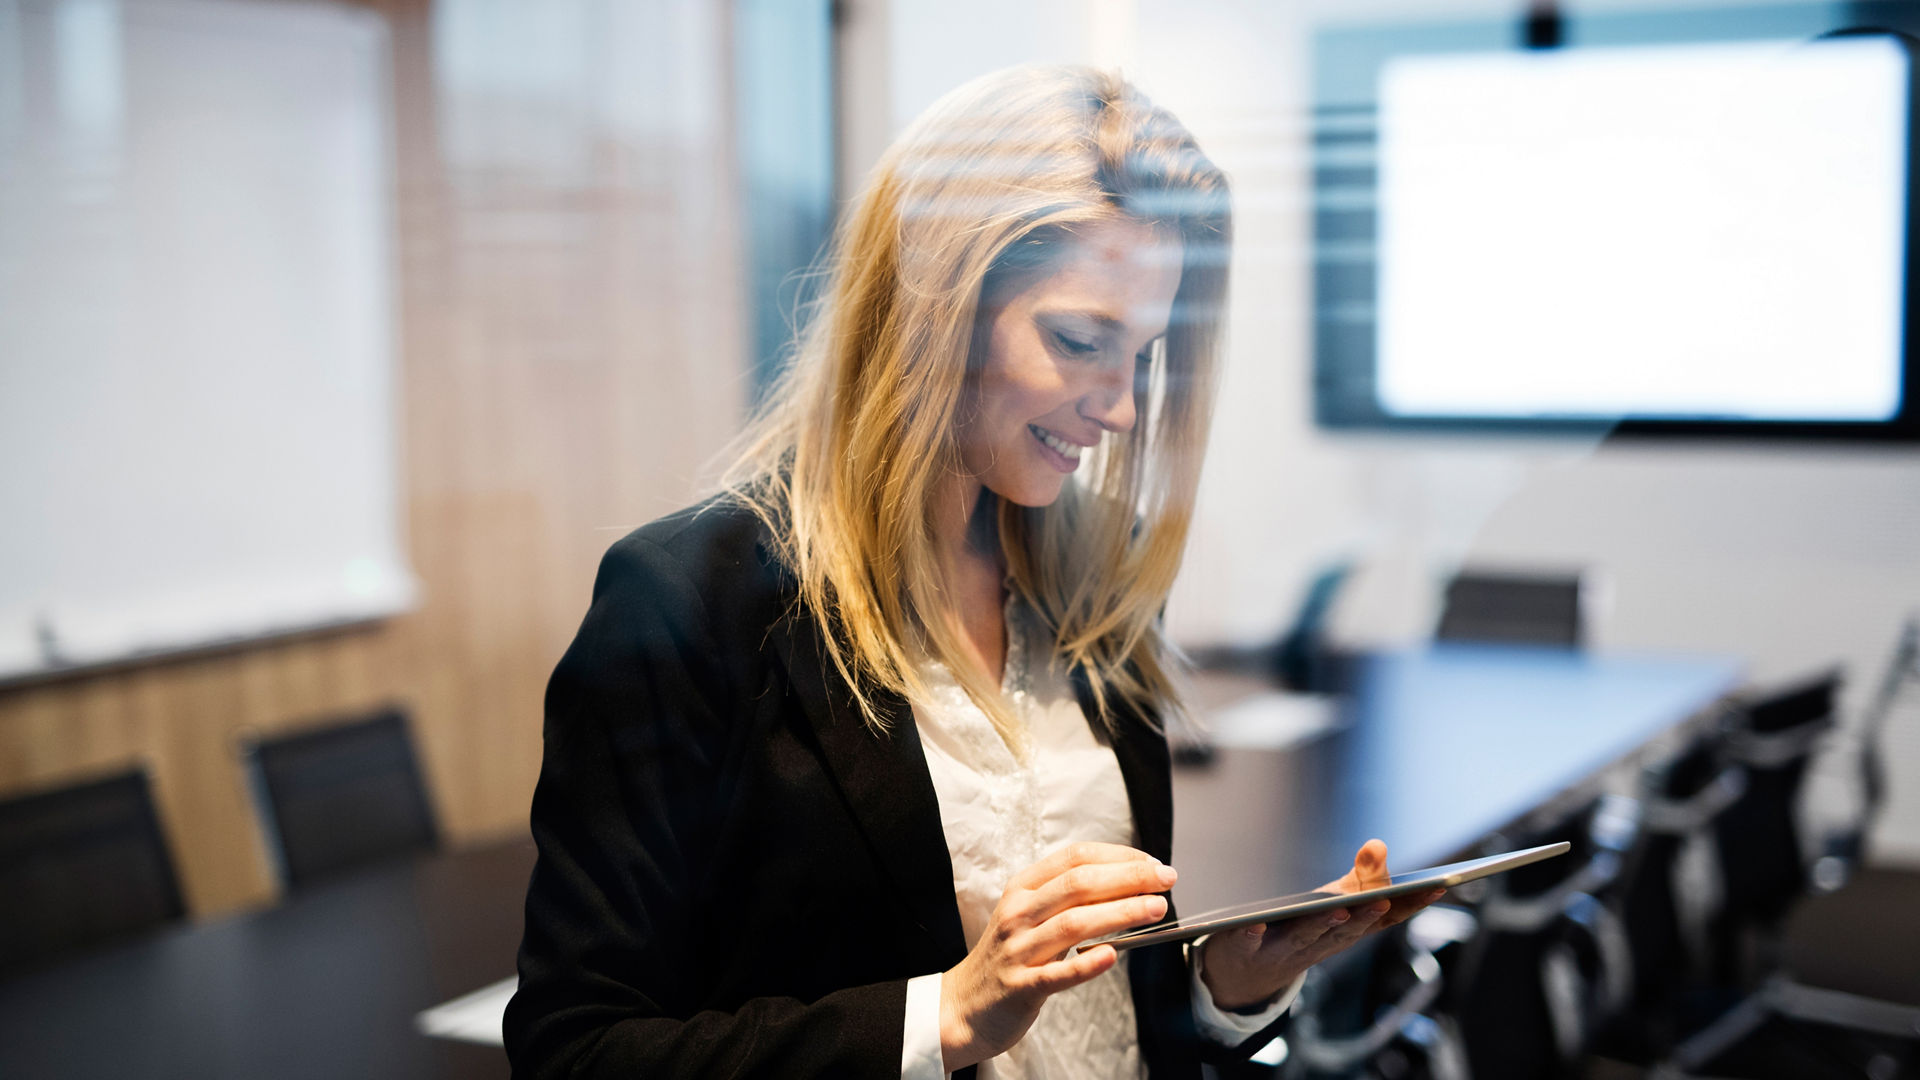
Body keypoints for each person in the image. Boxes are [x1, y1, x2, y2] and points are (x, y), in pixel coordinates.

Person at [503, 65, 1442, 1080]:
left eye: (1141, 355)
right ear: (936, 307)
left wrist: (1228, 990)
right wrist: (942, 1019)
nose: (1121, 408)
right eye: (1081, 341)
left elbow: (1102, 1008)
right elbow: (577, 1050)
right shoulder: (693, 604)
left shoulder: (1099, 577)